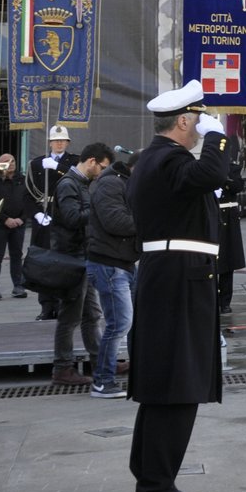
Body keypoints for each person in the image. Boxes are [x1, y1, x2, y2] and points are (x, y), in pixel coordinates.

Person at [125, 79, 230, 492]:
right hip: (177, 282)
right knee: (177, 386)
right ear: (186, 120)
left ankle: (156, 482)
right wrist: (218, 134)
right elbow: (213, 173)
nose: (203, 126)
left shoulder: (157, 160)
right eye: (199, 118)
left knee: (166, 385)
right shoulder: (166, 159)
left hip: (174, 278)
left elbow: (214, 180)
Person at [49, 143, 109, 387]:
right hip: (71, 257)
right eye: (102, 167)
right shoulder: (68, 184)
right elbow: (73, 218)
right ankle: (62, 368)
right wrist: (98, 209)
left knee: (91, 314)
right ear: (92, 161)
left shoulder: (81, 184)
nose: (102, 172)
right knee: (70, 316)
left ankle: (100, 362)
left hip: (83, 255)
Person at [86, 149, 138, 399]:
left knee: (131, 321)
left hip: (125, 261)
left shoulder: (124, 184)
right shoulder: (109, 184)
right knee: (119, 323)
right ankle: (102, 381)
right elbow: (116, 221)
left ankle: (135, 371)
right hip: (109, 263)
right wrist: (151, 220)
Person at [28, 124, 78, 320]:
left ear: (67, 142)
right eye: (56, 140)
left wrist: (57, 167)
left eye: (62, 140)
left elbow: (78, 177)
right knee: (43, 263)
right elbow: (28, 194)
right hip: (43, 218)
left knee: (62, 263)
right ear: (49, 142)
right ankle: (46, 305)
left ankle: (62, 304)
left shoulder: (73, 161)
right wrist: (36, 214)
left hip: (63, 217)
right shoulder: (37, 163)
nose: (59, 143)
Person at [0, 155, 29, 300]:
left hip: (18, 225)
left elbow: (29, 200)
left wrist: (21, 219)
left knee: (17, 256)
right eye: (6, 162)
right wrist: (6, 220)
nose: (10, 164)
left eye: (13, 161)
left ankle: (18, 286)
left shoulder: (23, 180)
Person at [215, 148, 246, 316]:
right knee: (212, 262)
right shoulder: (206, 167)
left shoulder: (233, 169)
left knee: (228, 263)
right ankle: (213, 299)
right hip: (214, 217)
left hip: (229, 220)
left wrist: (224, 179)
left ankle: (225, 301)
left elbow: (237, 186)